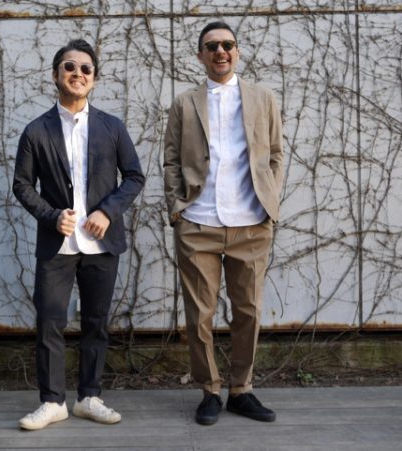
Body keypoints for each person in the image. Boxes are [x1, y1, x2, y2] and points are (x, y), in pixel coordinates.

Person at [13, 39, 145, 430]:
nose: (78, 73)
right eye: (69, 66)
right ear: (56, 75)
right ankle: (53, 402)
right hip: (58, 243)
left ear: (94, 79)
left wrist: (107, 211)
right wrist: (51, 216)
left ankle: (89, 397)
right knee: (50, 322)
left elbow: (134, 176)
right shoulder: (36, 130)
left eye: (86, 68)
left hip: (102, 243)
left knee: (96, 321)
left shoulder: (112, 127)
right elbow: (22, 185)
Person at [163, 21, 284, 425]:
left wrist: (270, 203)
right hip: (198, 223)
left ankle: (241, 389)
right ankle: (210, 390)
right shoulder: (184, 103)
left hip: (251, 223)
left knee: (248, 312)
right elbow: (170, 159)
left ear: (237, 51)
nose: (220, 51)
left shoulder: (263, 98)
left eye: (227, 44)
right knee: (200, 316)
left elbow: (275, 154)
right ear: (200, 55)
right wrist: (177, 209)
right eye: (212, 46)